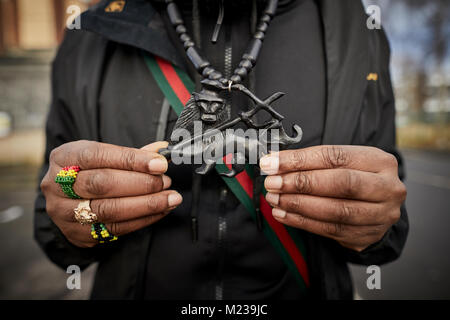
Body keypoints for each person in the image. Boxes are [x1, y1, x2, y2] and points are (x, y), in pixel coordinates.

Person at [34, 0, 408, 299]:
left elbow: (389, 226)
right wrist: (77, 216)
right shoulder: (91, 34)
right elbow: (55, 229)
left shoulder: (357, 31)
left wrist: (375, 225)